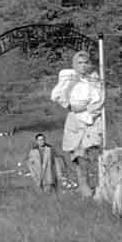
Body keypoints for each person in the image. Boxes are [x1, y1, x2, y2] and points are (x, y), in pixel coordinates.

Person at [51, 51, 104, 197]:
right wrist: (71, 106)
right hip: (75, 120)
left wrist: (88, 110)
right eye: (79, 63)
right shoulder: (70, 78)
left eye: (85, 62)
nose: (83, 65)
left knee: (94, 151)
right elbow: (57, 95)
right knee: (78, 155)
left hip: (92, 120)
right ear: (74, 65)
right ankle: (84, 187)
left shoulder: (94, 79)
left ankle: (101, 184)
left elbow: (99, 99)